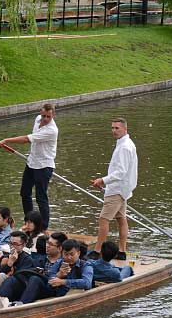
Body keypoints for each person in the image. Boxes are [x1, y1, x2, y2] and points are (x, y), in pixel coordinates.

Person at [0, 102, 59, 228]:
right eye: (43, 116)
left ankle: (44, 227)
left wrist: (7, 140)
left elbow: (26, 139)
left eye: (48, 117)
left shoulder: (51, 130)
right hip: (32, 163)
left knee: (41, 197)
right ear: (41, 113)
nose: (45, 119)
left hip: (44, 166)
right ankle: (29, 222)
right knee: (25, 193)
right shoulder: (37, 119)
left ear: (53, 115)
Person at [90, 117, 138, 260]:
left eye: (117, 128)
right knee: (121, 218)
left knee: (103, 219)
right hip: (123, 189)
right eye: (112, 128)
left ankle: (97, 251)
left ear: (125, 129)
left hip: (117, 189)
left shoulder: (124, 147)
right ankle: (122, 251)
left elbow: (121, 172)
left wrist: (102, 180)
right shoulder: (126, 144)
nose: (114, 131)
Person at [18, 239, 93, 304]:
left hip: (71, 294)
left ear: (78, 253)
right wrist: (59, 275)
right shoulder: (59, 262)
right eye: (66, 254)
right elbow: (50, 281)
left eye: (72, 254)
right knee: (34, 279)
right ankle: (21, 304)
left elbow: (87, 283)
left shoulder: (86, 265)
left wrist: (63, 282)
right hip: (56, 293)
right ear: (62, 253)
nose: (69, 257)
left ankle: (22, 305)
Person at [0, 231, 36, 301]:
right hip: (3, 285)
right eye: (10, 243)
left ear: (23, 245)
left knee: (10, 279)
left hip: (17, 288)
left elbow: (22, 278)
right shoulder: (5, 257)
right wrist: (9, 263)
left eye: (15, 244)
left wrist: (12, 265)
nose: (12, 246)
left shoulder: (27, 260)